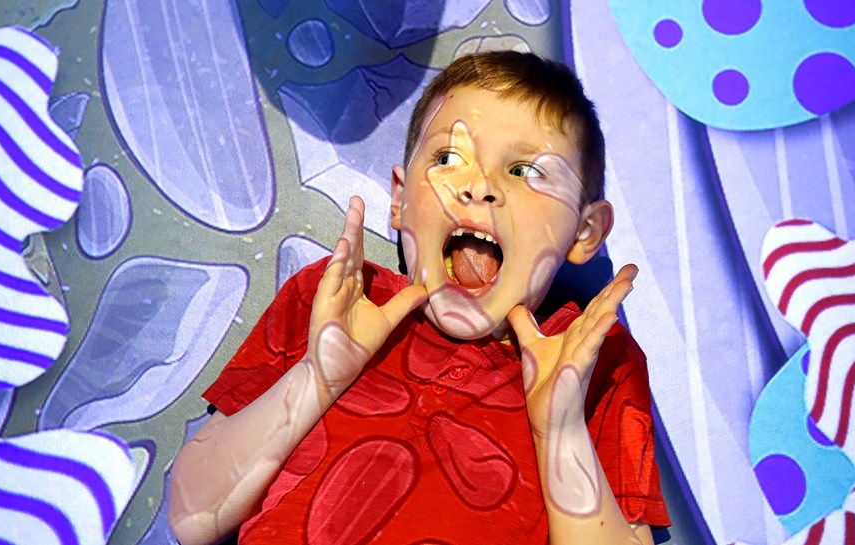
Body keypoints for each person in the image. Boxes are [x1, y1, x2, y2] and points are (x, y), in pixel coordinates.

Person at [168, 50, 670, 545]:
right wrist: (315, 379)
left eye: (524, 171)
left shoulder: (591, 360)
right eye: (449, 158)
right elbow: (192, 515)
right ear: (400, 199)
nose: (479, 186)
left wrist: (560, 434)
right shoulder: (337, 297)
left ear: (585, 232)